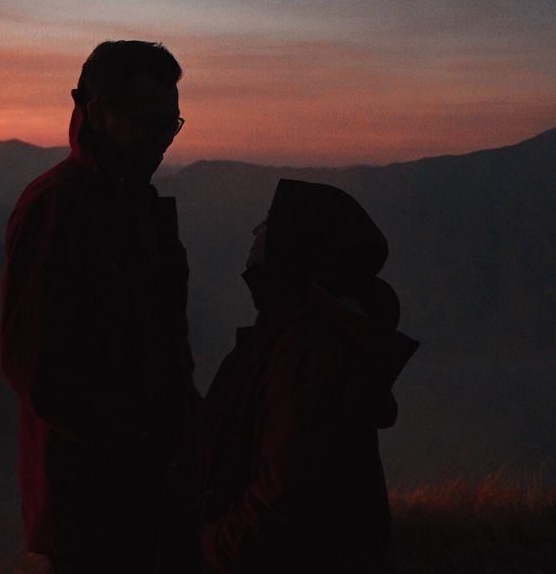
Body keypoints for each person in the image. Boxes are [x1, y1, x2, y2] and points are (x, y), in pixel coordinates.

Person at [0, 40, 197, 574]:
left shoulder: (141, 208)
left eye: (171, 125)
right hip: (88, 511)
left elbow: (163, 339)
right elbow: (32, 367)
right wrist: (133, 445)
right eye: (149, 123)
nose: (163, 141)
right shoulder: (56, 207)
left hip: (145, 498)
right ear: (98, 114)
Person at [159, 178, 419, 574]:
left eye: (268, 222)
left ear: (298, 242)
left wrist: (209, 551)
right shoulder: (304, 335)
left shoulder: (309, 350)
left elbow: (283, 492)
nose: (257, 230)